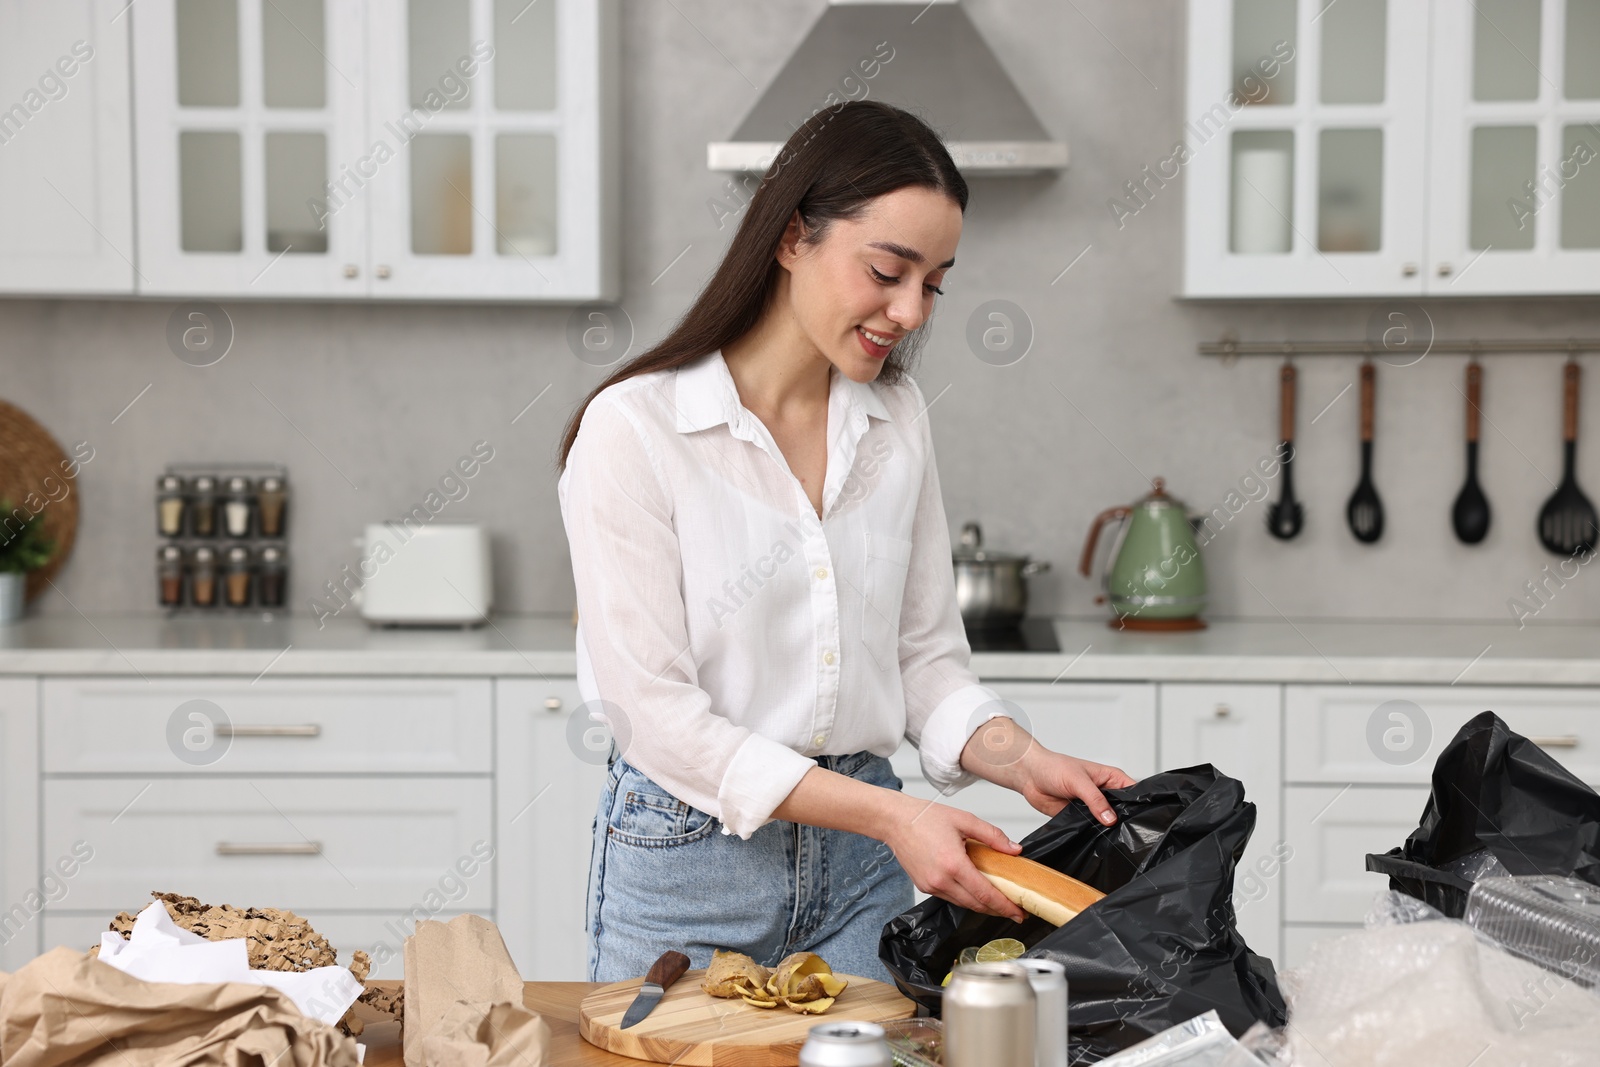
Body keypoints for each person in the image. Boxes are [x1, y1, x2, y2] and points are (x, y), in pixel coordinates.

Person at [555, 100, 1135, 985]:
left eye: (934, 282)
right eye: (887, 270)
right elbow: (658, 720)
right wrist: (889, 816)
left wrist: (1023, 759)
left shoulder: (895, 420)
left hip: (861, 874)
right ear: (793, 238)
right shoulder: (635, 429)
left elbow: (923, 660)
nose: (910, 310)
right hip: (691, 863)